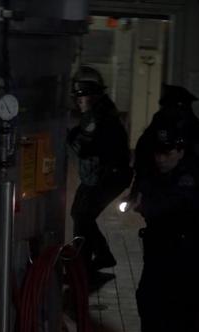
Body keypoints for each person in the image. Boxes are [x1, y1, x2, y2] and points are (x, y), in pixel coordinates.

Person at [131, 116, 199, 332]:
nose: (161, 159)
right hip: (159, 259)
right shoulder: (154, 171)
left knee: (179, 322)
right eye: (157, 152)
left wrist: (144, 204)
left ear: (180, 151)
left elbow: (167, 204)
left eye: (167, 153)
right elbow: (142, 187)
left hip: (186, 261)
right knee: (151, 319)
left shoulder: (189, 176)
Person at [66, 66, 133, 275]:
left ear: (94, 94)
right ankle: (93, 258)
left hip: (108, 176)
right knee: (80, 214)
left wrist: (70, 137)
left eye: (83, 94)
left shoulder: (99, 116)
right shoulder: (101, 112)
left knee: (83, 216)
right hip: (103, 176)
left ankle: (89, 262)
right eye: (77, 94)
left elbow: (83, 145)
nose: (79, 99)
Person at [130, 84, 199, 202]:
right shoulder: (159, 123)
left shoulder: (195, 129)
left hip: (184, 196)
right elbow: (143, 150)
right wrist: (139, 184)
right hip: (158, 191)